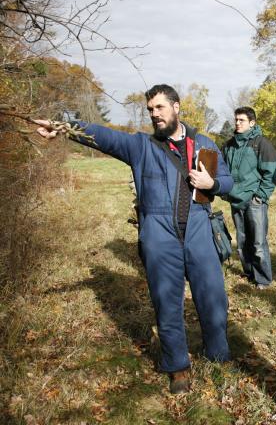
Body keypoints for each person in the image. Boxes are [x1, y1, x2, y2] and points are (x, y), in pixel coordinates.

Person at [35, 84, 233, 394]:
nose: (154, 114)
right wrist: (63, 126)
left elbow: (229, 181)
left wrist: (214, 182)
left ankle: (218, 354)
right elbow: (104, 136)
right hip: (158, 233)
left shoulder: (204, 143)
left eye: (160, 107)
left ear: (176, 107)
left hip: (199, 229)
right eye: (151, 109)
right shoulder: (141, 146)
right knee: (167, 303)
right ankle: (177, 366)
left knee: (213, 298)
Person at [221, 107, 276, 289]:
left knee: (258, 242)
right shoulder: (229, 145)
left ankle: (263, 279)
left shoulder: (261, 144)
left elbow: (272, 173)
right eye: (236, 120)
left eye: (242, 120)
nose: (237, 123)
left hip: (254, 201)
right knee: (242, 241)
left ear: (252, 123)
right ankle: (249, 273)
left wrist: (260, 196)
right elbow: (222, 169)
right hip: (236, 199)